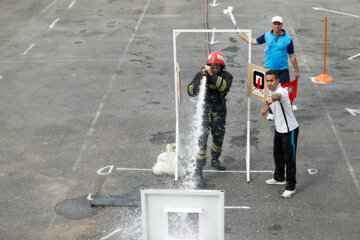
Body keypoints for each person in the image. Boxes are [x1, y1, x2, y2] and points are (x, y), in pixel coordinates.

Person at [236, 16, 300, 120]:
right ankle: (271, 111)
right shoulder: (267, 36)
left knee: (285, 92)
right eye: (275, 24)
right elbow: (253, 41)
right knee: (271, 91)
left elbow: (292, 55)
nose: (277, 26)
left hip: (283, 70)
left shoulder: (288, 39)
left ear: (282, 25)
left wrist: (296, 70)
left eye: (279, 24)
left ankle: (286, 112)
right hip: (270, 70)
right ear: (272, 24)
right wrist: (241, 34)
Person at [187, 51, 233, 188]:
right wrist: (200, 82)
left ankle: (215, 159)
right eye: (211, 66)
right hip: (203, 112)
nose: (213, 68)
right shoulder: (201, 74)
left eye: (216, 66)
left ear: (222, 66)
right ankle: (198, 173)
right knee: (201, 142)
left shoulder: (227, 77)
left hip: (219, 112)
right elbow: (190, 91)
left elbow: (223, 87)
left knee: (218, 139)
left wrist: (211, 76)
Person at [261, 70, 299, 198]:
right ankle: (278, 177)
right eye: (267, 81)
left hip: (290, 130)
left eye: (271, 80)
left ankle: (291, 186)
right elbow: (276, 104)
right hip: (279, 129)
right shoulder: (272, 90)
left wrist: (271, 98)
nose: (269, 83)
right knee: (277, 154)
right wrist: (267, 108)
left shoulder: (281, 91)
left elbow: (277, 97)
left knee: (289, 159)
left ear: (277, 80)